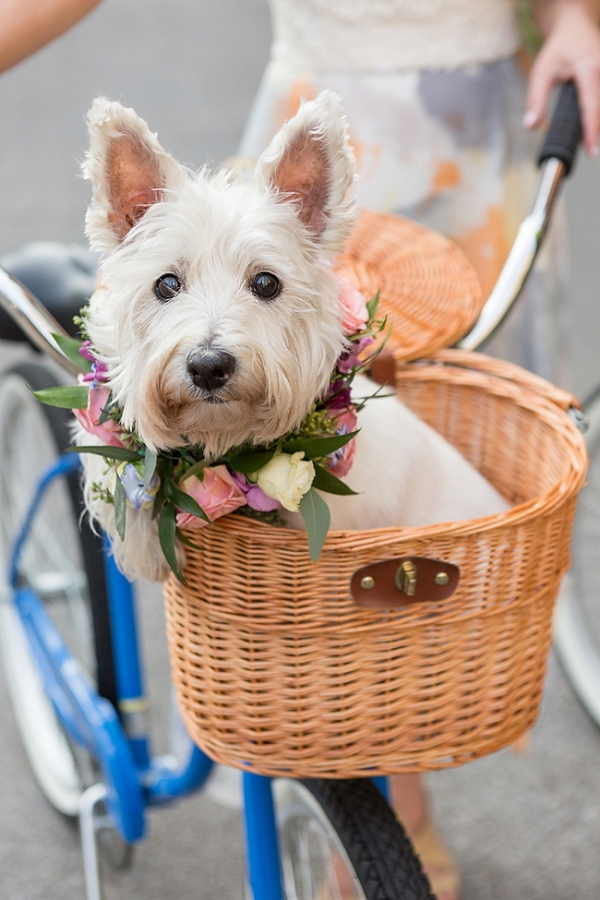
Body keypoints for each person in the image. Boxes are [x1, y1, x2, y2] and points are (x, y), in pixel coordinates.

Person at [1, 2, 600, 898]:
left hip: (475, 131)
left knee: (381, 531)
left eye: (263, 286)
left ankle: (394, 788)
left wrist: (574, 19)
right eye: (165, 284)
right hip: (322, 84)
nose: (210, 345)